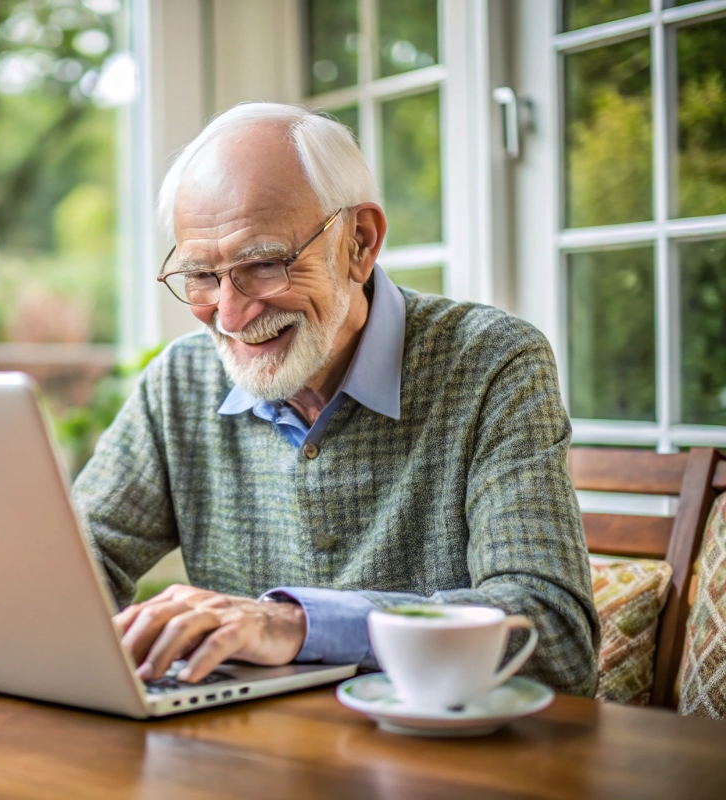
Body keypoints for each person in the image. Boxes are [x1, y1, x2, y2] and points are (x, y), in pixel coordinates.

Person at [70, 102, 600, 695]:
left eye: (264, 264)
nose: (231, 313)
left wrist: (299, 624)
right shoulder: (181, 382)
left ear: (360, 242)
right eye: (201, 276)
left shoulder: (490, 363)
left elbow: (552, 635)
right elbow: (77, 557)